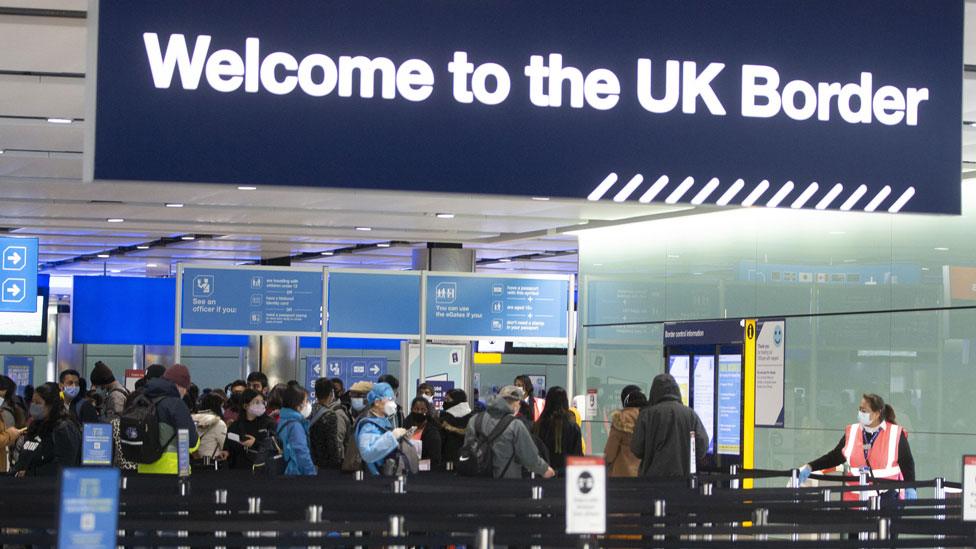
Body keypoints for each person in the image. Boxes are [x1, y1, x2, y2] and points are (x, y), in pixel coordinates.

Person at [798, 393, 917, 504]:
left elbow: (907, 463)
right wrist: (811, 466)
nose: (860, 413)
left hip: (886, 497)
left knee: (883, 527)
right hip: (854, 498)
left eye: (864, 411)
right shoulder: (853, 431)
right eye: (859, 409)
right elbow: (835, 457)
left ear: (877, 414)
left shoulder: (895, 433)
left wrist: (911, 486)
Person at [464, 385, 555, 479]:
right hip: (506, 482)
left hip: (476, 480)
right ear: (516, 404)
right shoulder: (515, 425)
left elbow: (467, 448)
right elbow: (529, 457)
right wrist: (545, 470)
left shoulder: (474, 420)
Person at [631, 373, 708, 478]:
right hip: (683, 481)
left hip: (652, 482)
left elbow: (637, 449)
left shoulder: (647, 415)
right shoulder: (690, 414)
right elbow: (702, 448)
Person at [137, 364, 200, 474]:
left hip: (143, 469)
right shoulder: (176, 404)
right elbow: (191, 443)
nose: (185, 393)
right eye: (185, 388)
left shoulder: (142, 399)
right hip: (171, 472)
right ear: (178, 385)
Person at [12, 382, 81, 477]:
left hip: (49, 487)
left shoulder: (64, 428)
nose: (33, 405)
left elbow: (64, 464)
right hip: (26, 486)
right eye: (32, 402)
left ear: (51, 405)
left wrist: (31, 474)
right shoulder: (35, 425)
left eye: (38, 403)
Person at [355, 382, 409, 475]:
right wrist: (393, 436)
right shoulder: (368, 425)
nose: (393, 404)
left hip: (385, 473)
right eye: (390, 399)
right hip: (373, 477)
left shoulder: (383, 420)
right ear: (376, 402)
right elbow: (367, 454)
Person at [532, 387, 583, 475]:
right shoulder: (573, 427)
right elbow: (577, 456)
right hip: (565, 476)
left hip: (542, 474)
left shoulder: (538, 425)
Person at [222, 389, 277, 470]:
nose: (261, 405)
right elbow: (228, 445)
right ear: (245, 406)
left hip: (261, 470)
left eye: (262, 402)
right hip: (238, 470)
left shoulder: (269, 423)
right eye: (256, 402)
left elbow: (274, 447)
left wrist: (254, 444)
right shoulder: (236, 425)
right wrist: (226, 452)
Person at [309, 377, 351, 470]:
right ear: (331, 393)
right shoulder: (332, 414)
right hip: (329, 466)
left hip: (313, 463)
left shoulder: (311, 412)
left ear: (315, 394)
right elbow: (335, 444)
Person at [604, 386, 646, 478]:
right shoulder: (649, 418)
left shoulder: (621, 419)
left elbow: (610, 452)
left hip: (621, 474)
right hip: (644, 476)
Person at [276, 385, 316, 475]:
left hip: (284, 471)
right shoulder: (295, 425)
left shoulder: (283, 419)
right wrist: (311, 473)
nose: (308, 404)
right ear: (297, 404)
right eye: (306, 401)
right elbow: (301, 453)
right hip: (294, 473)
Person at [404, 396, 442, 468]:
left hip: (426, 473)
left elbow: (435, 459)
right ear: (411, 410)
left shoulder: (433, 432)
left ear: (427, 411)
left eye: (423, 409)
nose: (419, 412)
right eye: (416, 409)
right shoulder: (405, 427)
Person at [440, 388, 474, 464]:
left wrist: (453, 429)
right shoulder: (444, 417)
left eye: (448, 400)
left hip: (467, 458)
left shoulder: (473, 419)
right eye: (445, 400)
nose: (445, 403)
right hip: (448, 459)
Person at [191, 392, 228, 462]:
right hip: (211, 462)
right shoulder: (219, 423)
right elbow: (224, 445)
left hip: (194, 461)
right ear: (218, 407)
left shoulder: (193, 420)